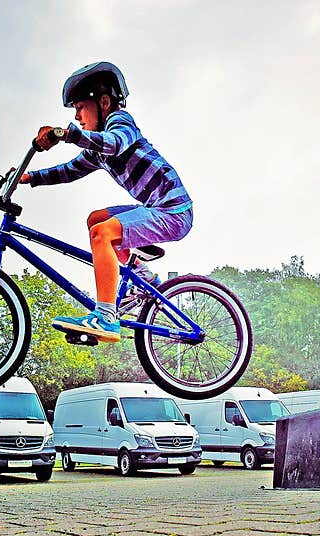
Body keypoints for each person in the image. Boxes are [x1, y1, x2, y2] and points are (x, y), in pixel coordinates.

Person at [21, 61, 193, 343]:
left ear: (103, 102)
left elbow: (113, 143)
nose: (77, 118)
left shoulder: (120, 122)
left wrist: (65, 134)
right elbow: (69, 170)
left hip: (173, 210)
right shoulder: (95, 152)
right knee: (96, 219)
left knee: (102, 233)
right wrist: (30, 178)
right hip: (154, 208)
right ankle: (144, 279)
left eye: (79, 109)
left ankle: (105, 317)